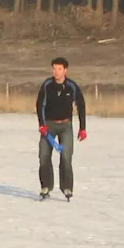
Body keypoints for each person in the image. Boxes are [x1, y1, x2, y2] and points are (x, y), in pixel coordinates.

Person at [36, 57, 87, 200]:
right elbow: (40, 104)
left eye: (59, 69)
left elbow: (81, 105)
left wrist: (82, 128)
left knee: (66, 157)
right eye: (54, 69)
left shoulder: (71, 86)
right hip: (49, 127)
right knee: (44, 156)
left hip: (65, 126)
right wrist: (42, 124)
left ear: (65, 70)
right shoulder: (47, 85)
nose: (56, 72)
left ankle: (67, 188)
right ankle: (46, 186)